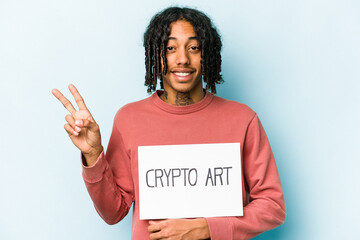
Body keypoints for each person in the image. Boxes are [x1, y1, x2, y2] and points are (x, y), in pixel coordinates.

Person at [52, 7, 286, 240]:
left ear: (207, 54)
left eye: (193, 48)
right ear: (155, 55)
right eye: (170, 48)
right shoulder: (129, 119)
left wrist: (207, 228)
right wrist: (93, 156)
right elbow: (113, 212)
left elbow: (272, 206)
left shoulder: (242, 119)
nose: (182, 59)